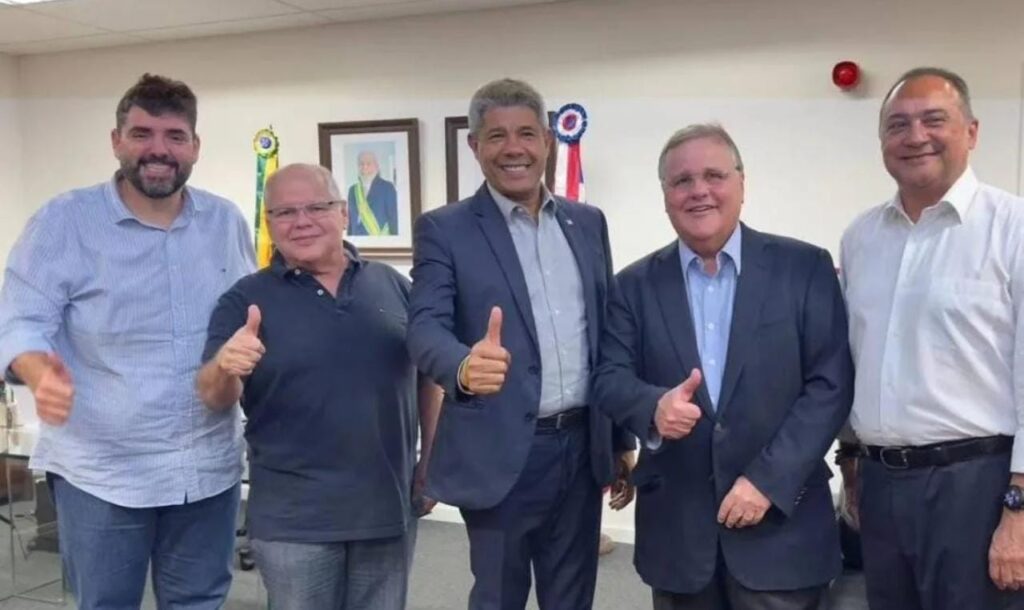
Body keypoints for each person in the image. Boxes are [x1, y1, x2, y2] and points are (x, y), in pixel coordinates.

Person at [0, 73, 255, 609]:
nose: (158, 149)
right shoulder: (64, 222)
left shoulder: (225, 222)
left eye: (174, 136)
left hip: (206, 465)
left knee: (200, 602)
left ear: (195, 146)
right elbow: (18, 321)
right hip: (105, 470)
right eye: (142, 134)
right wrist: (40, 374)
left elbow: (246, 319)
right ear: (116, 141)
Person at [592, 124, 853, 610]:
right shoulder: (632, 286)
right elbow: (609, 378)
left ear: (741, 183)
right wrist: (653, 407)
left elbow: (830, 385)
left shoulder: (804, 268)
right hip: (678, 537)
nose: (699, 191)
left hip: (782, 529)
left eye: (714, 175)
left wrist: (767, 481)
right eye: (682, 181)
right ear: (665, 196)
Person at [406, 78, 636, 610]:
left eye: (527, 133)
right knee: (499, 597)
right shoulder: (445, 229)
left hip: (581, 447)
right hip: (501, 450)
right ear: (475, 146)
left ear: (548, 141)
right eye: (497, 136)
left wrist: (619, 437)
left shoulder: (587, 223)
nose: (514, 148)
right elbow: (424, 328)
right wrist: (462, 366)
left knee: (572, 597)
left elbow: (607, 336)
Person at [197, 163, 440, 610]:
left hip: (386, 508)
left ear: (344, 213)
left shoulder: (391, 284)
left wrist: (432, 458)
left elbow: (429, 376)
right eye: (285, 212)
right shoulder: (244, 299)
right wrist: (225, 367)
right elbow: (213, 397)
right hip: (294, 521)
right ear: (270, 223)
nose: (302, 221)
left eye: (316, 207)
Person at [839, 66, 1024, 609]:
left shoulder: (1012, 228)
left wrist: (1018, 510)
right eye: (897, 124)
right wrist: (850, 465)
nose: (915, 136)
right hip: (880, 485)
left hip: (977, 487)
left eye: (933, 120)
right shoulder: (861, 238)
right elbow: (855, 360)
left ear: (972, 131)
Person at [347, 150, 399, 236]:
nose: (364, 167)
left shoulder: (387, 188)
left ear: (376, 166)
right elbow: (351, 224)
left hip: (380, 242)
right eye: (361, 164)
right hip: (356, 242)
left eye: (368, 163)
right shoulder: (352, 190)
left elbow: (394, 220)